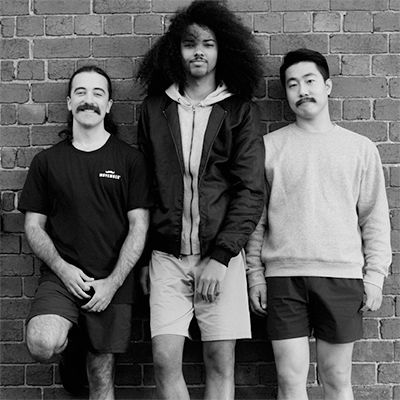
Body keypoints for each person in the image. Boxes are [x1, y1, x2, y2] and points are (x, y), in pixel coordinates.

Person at [246, 48, 392, 400]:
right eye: (292, 84)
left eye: (310, 81)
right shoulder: (269, 148)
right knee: (290, 381)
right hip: (284, 278)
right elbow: (255, 220)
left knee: (336, 378)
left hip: (341, 276)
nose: (302, 90)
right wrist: (255, 275)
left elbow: (374, 217)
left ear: (327, 86)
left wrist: (375, 276)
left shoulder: (359, 149)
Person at [136, 1, 265, 399]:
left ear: (221, 50)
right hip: (166, 257)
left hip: (220, 258)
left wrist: (222, 256)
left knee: (220, 364)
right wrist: (144, 258)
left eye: (208, 44)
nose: (198, 51)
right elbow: (143, 188)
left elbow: (250, 190)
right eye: (190, 43)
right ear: (175, 50)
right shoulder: (155, 109)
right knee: (164, 360)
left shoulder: (238, 111)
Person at [18, 65, 153, 400]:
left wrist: (113, 282)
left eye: (97, 94)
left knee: (101, 376)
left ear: (108, 106)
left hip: (112, 282)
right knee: (42, 343)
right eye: (80, 92)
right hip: (62, 279)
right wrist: (63, 270)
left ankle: (82, 341)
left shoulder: (130, 161)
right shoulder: (47, 162)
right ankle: (73, 341)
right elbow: (33, 226)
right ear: (68, 102)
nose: (88, 101)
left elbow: (140, 226)